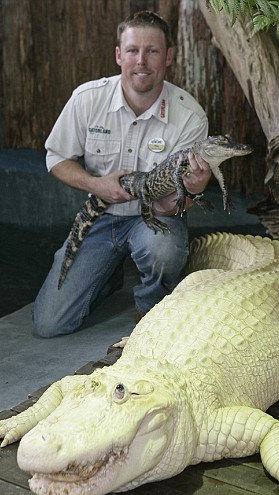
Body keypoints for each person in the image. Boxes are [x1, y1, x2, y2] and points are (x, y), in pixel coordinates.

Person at [32, 11, 212, 338]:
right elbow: (57, 157)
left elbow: (172, 207)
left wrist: (193, 192)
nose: (141, 61)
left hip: (154, 216)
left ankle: (150, 307)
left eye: (152, 51)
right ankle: (107, 274)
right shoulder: (88, 99)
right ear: (118, 54)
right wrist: (96, 184)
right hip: (101, 213)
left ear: (168, 56)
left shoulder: (190, 117)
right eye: (132, 50)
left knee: (163, 249)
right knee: (49, 324)